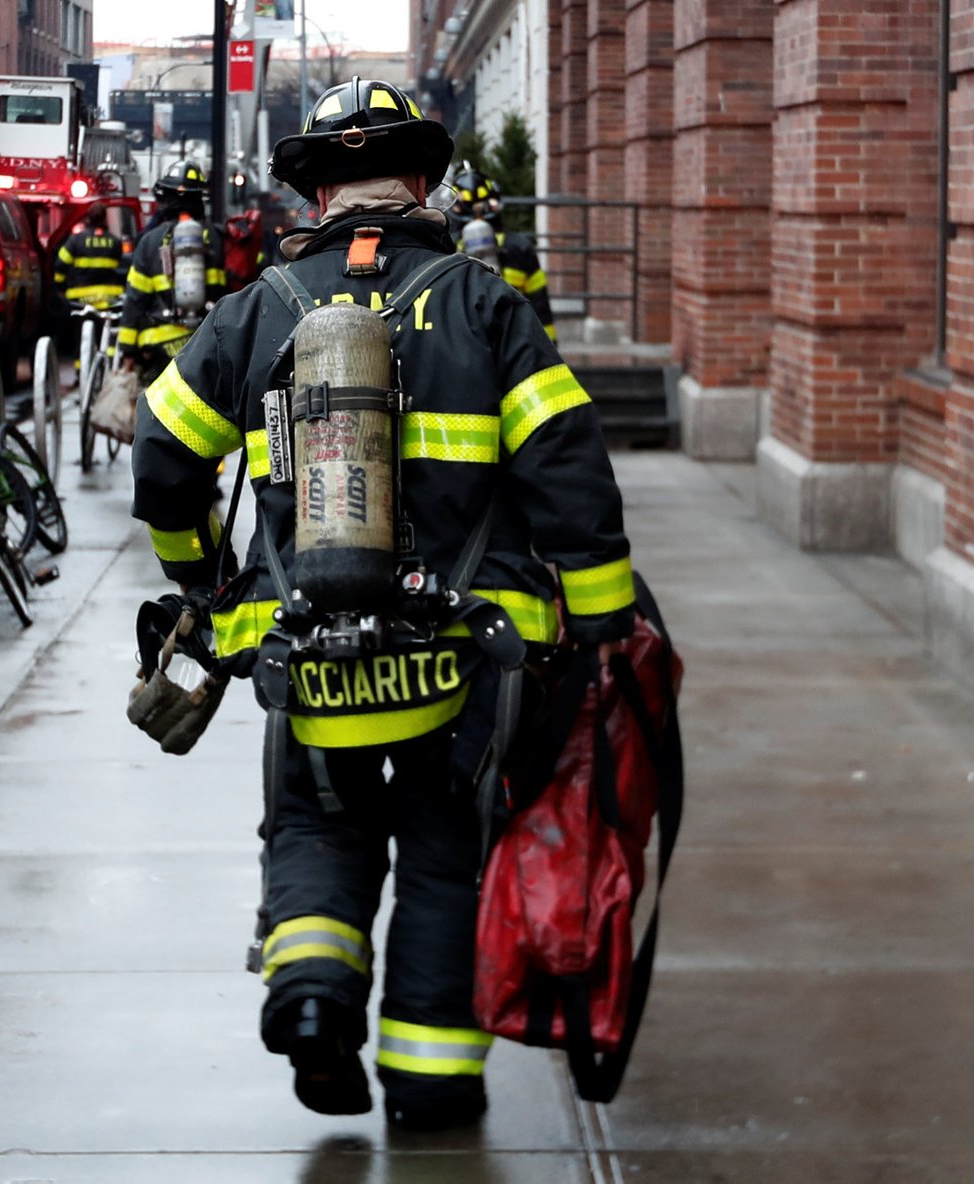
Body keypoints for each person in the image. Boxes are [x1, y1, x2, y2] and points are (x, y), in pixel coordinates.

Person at [128, 83, 634, 1130]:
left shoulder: (256, 309)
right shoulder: (483, 301)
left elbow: (162, 458)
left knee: (316, 823)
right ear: (420, 182)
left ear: (315, 190)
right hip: (465, 655)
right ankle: (430, 1081)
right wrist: (600, 631)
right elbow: (571, 475)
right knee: (447, 855)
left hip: (305, 647)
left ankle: (313, 1001)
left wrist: (196, 580)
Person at [116, 165, 225, 369]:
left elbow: (135, 300)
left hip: (159, 347)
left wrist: (127, 350)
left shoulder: (150, 241)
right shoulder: (217, 238)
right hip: (206, 343)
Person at [445, 158, 556, 345]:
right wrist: (549, 347)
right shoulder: (520, 247)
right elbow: (539, 305)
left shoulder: (446, 247)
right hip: (516, 339)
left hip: (465, 342)